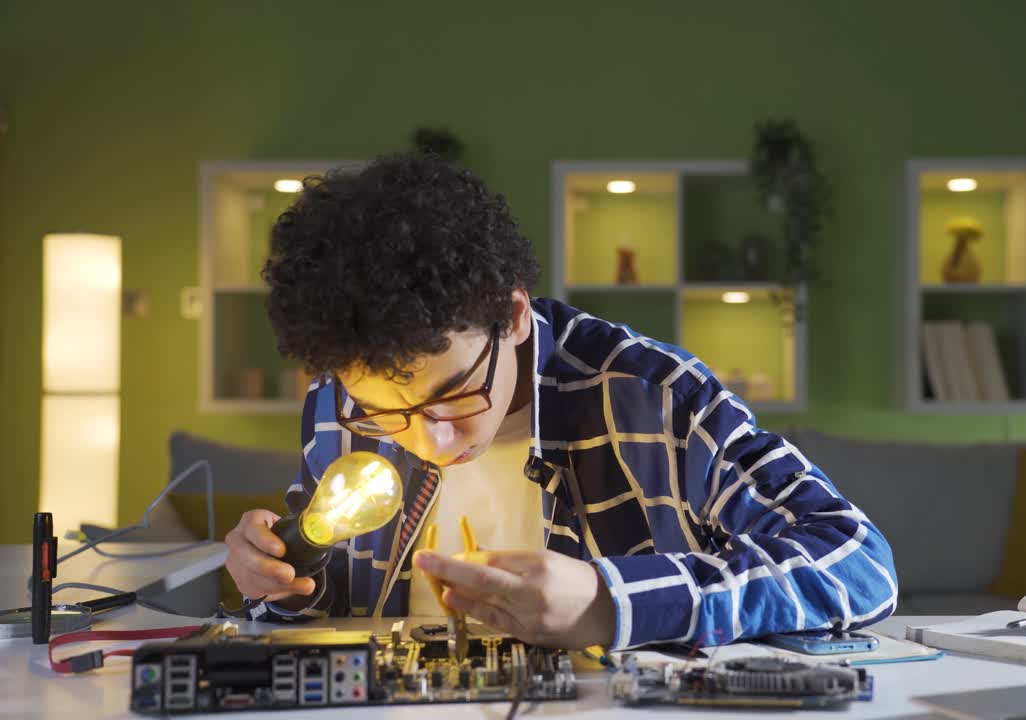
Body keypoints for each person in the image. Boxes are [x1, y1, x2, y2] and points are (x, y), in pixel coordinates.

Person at [223, 151, 897, 651]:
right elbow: (325, 618)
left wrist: (614, 603)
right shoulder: (339, 406)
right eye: (385, 413)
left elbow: (860, 563)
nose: (432, 442)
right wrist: (278, 581)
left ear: (511, 314)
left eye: (452, 396)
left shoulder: (650, 396)